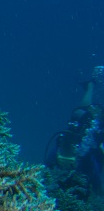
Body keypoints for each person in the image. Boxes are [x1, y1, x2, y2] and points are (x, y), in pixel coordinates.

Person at [45, 65, 104, 196]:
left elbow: (96, 180)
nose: (66, 165)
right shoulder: (60, 146)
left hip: (90, 127)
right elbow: (46, 168)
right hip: (80, 119)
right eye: (63, 160)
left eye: (69, 162)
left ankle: (90, 86)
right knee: (82, 111)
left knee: (87, 114)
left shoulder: (86, 157)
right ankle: (90, 86)